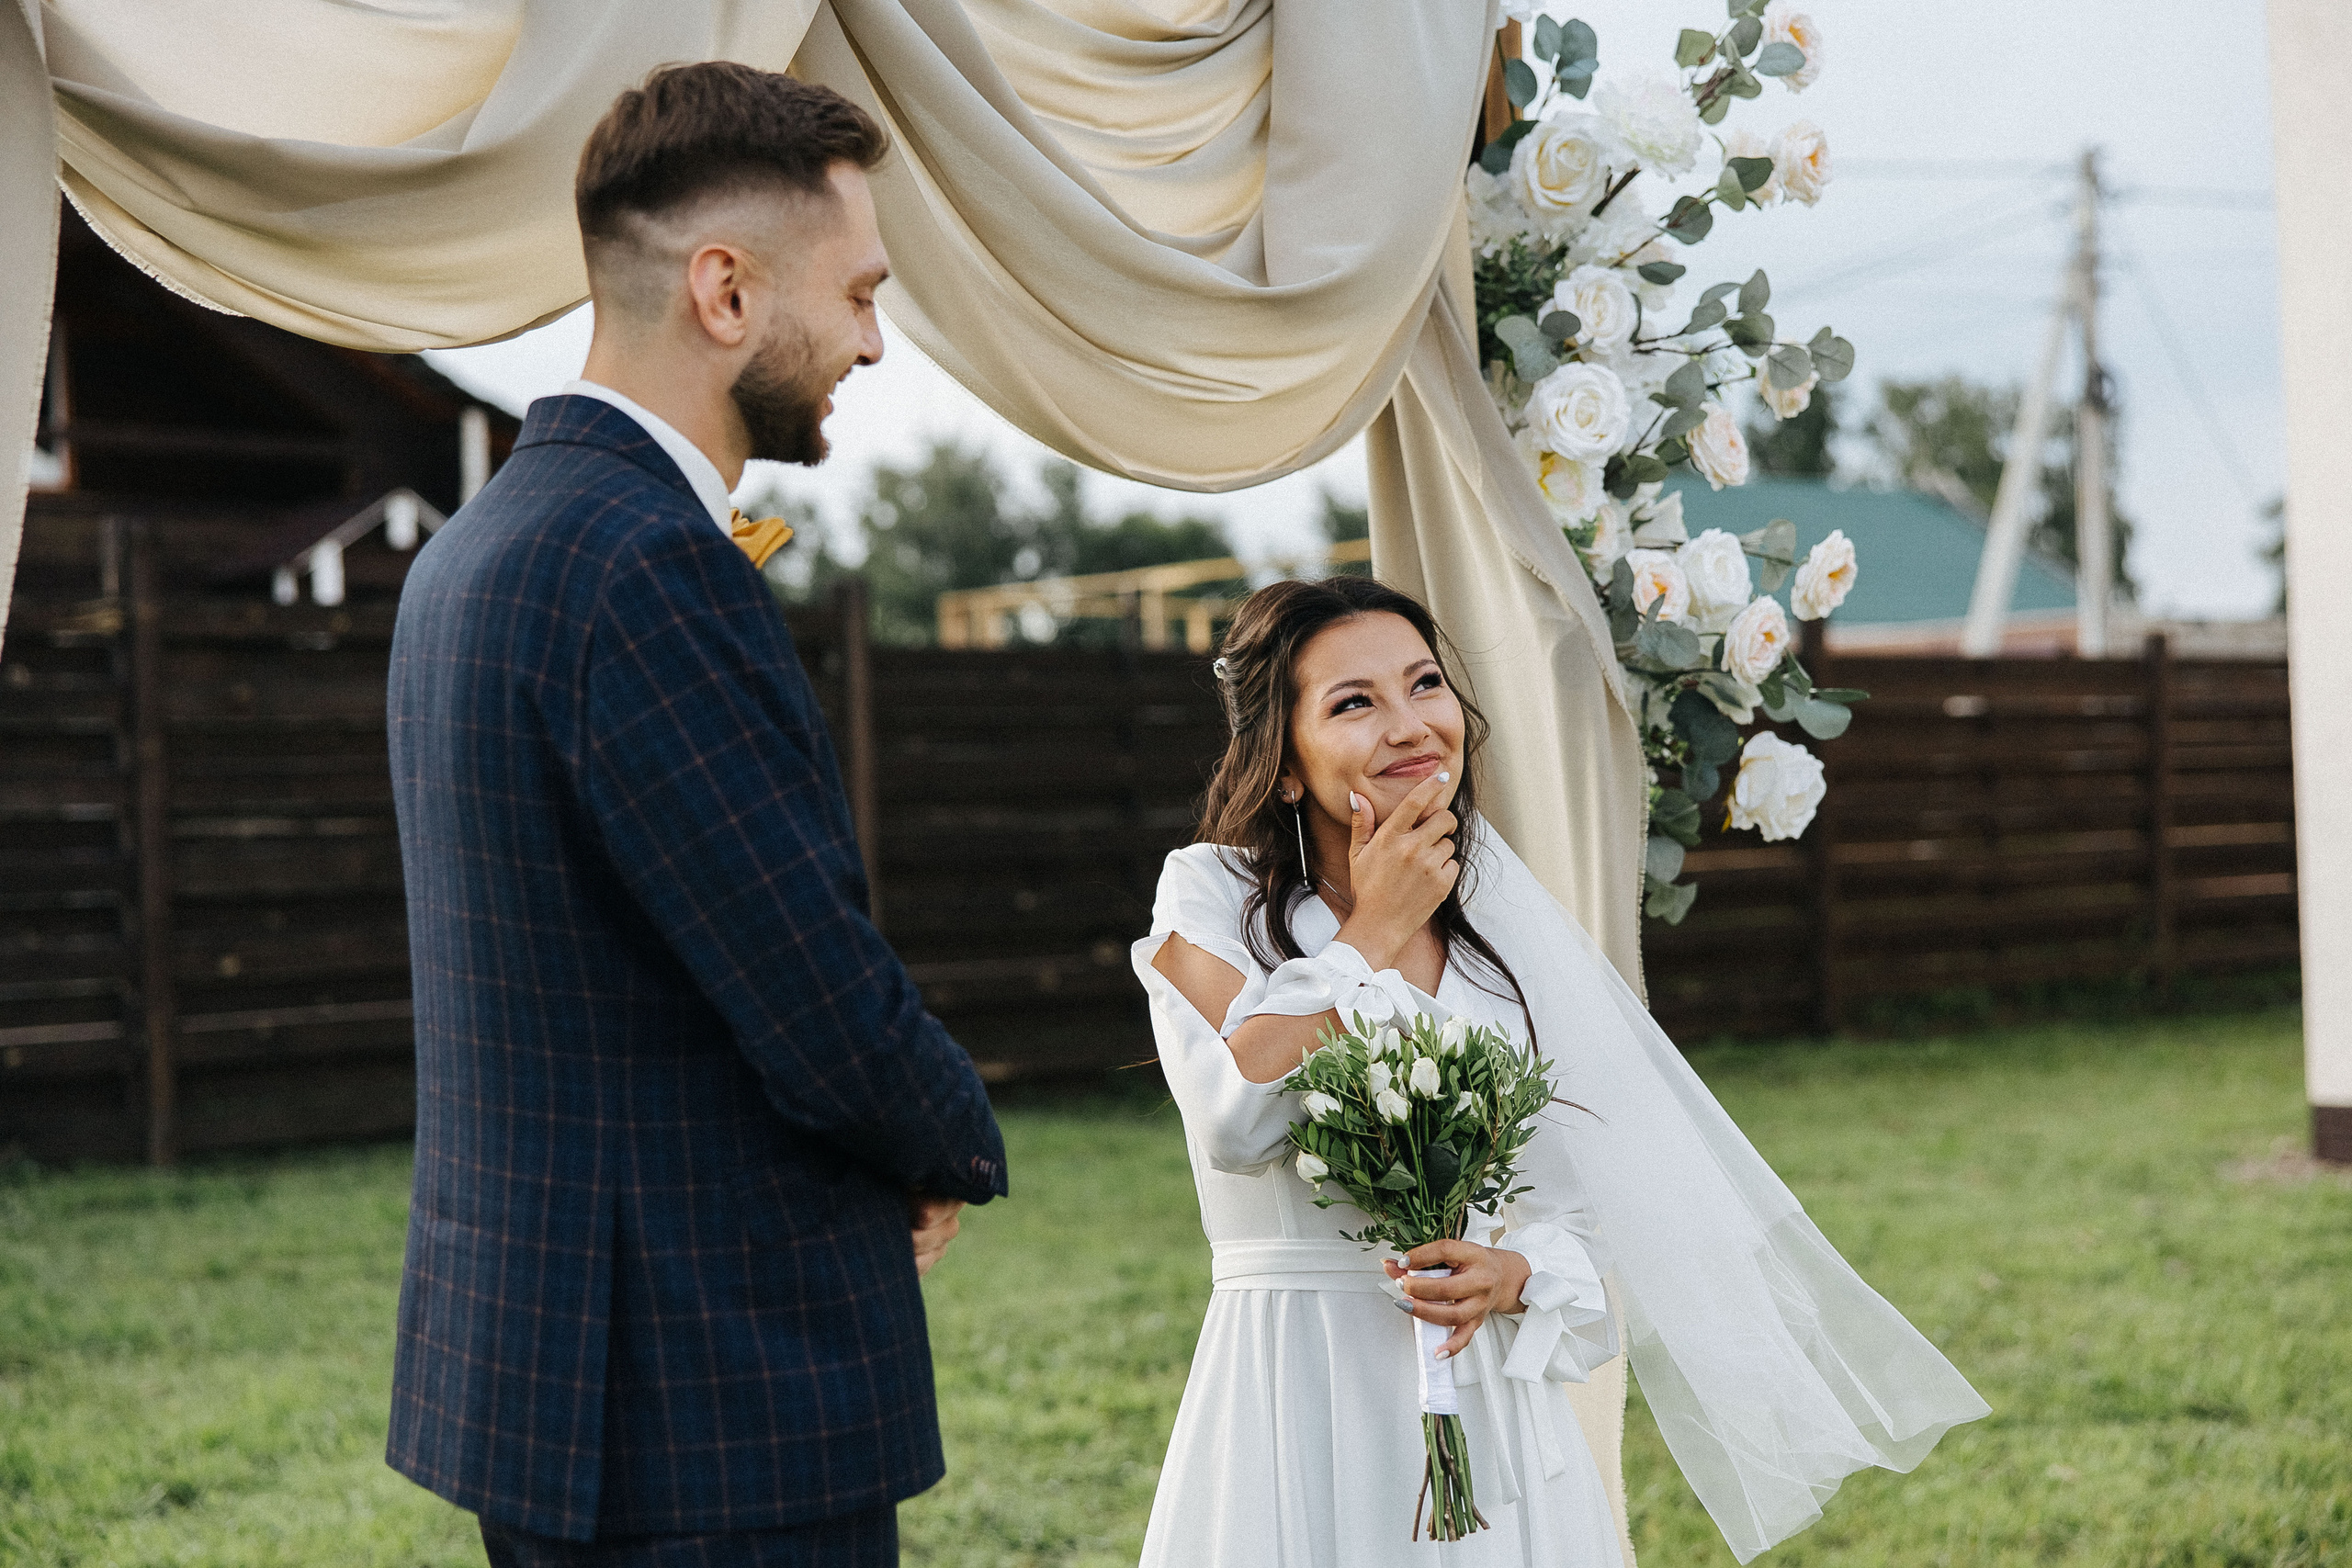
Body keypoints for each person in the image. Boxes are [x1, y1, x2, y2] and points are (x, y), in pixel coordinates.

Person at [385, 64, 1007, 1568]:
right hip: (706, 1402)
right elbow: (806, 981)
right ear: (724, 290)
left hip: (544, 1379)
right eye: (857, 292)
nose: (871, 337)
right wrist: (947, 1137)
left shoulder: (474, 553)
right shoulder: (645, 567)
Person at [1133, 576, 1988, 1566]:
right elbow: (1236, 1120)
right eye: (1354, 702)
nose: (1411, 725)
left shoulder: (1500, 922)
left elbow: (1584, 1199)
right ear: (1284, 766)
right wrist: (1371, 930)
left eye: (1425, 684)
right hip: (1299, 1383)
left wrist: (1515, 1270)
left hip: (1485, 1400)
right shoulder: (1206, 899)